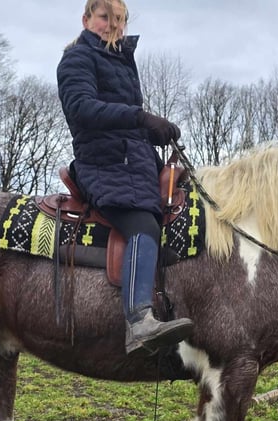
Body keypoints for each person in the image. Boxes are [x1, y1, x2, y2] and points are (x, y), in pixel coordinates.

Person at [57, 0, 193, 356]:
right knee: (142, 226)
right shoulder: (77, 59)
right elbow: (82, 108)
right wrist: (140, 118)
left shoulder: (120, 62)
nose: (112, 25)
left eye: (119, 19)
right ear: (86, 19)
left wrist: (154, 134)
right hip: (103, 164)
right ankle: (138, 322)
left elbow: (127, 123)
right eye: (105, 17)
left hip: (134, 163)